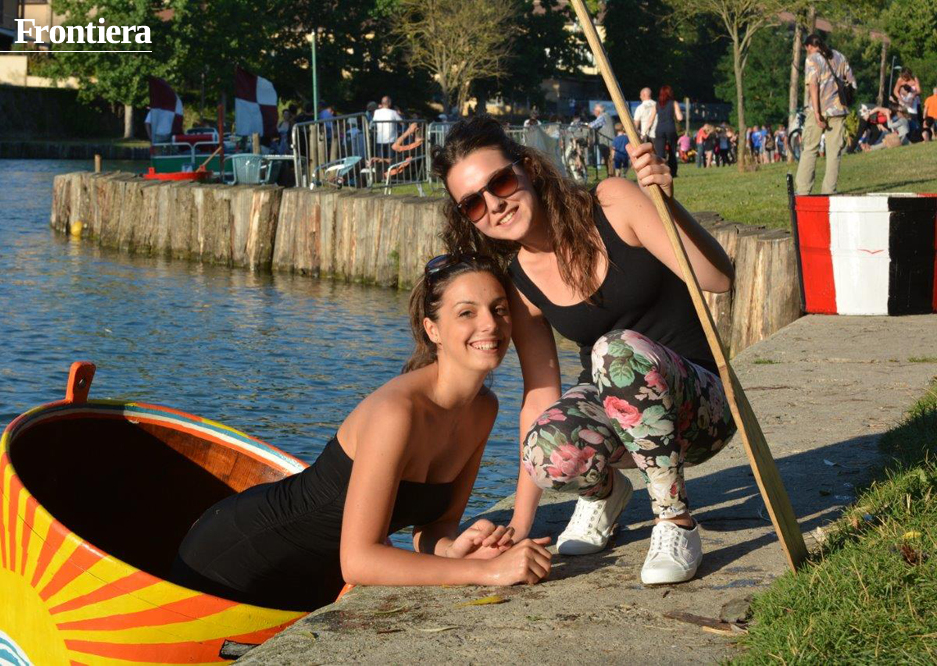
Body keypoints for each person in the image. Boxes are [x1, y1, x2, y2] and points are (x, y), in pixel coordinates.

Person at [433, 116, 737, 585]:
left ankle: (675, 521)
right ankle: (604, 494)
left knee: (615, 351)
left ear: (528, 167)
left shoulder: (612, 203)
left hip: (698, 409)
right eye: (473, 203)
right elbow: (540, 394)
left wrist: (669, 206)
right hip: (619, 420)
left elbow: (718, 279)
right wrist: (519, 524)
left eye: (501, 182)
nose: (494, 204)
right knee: (543, 447)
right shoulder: (521, 281)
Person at [172, 255, 552, 611]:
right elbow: (358, 561)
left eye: (498, 309)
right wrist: (486, 572)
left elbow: (434, 527)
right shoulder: (396, 413)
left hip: (312, 576)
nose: (489, 324)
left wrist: (456, 550)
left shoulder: (484, 409)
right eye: (467, 312)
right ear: (433, 329)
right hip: (235, 557)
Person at [795, 34, 856, 195]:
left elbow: (813, 86)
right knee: (834, 152)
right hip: (838, 109)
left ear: (809, 46)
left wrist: (817, 113)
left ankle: (803, 190)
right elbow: (851, 81)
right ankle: (829, 190)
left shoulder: (812, 59)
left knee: (810, 148)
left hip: (818, 109)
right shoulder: (839, 56)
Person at [649, 85, 682, 178]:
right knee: (672, 151)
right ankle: (673, 172)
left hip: (659, 129)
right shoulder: (674, 103)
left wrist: (645, 130)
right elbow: (680, 117)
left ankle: (661, 172)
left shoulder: (657, 104)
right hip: (670, 128)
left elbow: (651, 120)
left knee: (660, 152)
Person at [371, 96, 402, 162]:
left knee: (380, 161)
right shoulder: (393, 112)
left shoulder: (376, 112)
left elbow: (373, 123)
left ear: (382, 103)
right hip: (391, 139)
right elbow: (402, 122)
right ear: (389, 103)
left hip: (380, 139)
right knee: (391, 161)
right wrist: (399, 113)